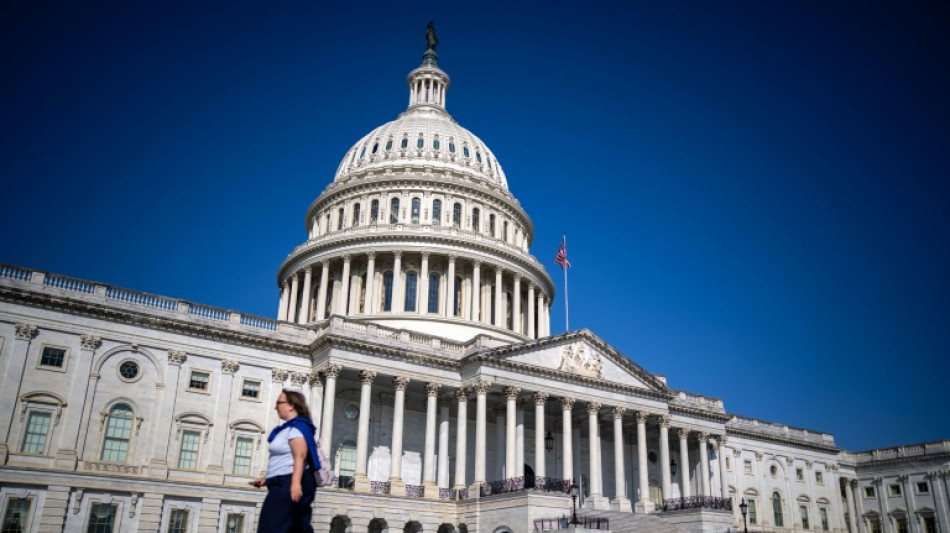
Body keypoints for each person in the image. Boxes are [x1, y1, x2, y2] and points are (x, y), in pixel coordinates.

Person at [252, 389, 320, 533]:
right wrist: (267, 477)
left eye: (279, 403)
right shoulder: (287, 428)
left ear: (291, 405)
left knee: (271, 526)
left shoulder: (297, 428)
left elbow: (300, 456)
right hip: (281, 480)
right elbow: (284, 458)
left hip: (288, 482)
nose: (275, 407)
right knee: (297, 527)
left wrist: (295, 483)